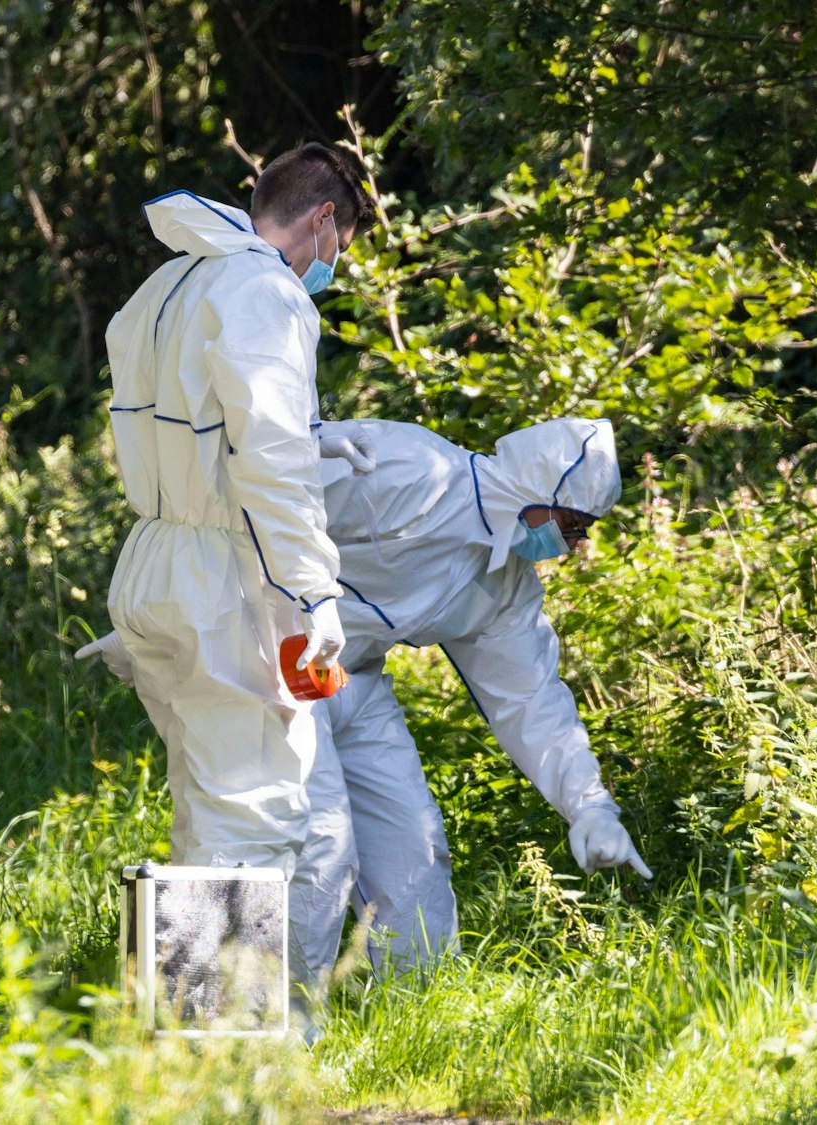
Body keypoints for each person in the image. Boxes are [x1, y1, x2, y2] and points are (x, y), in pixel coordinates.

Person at [81, 418, 651, 981]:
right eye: (574, 523)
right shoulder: (405, 468)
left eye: (586, 529)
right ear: (535, 489)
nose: (575, 545)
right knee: (311, 848)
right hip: (257, 661)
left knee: (415, 851)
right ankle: (264, 1030)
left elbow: (530, 698)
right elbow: (240, 501)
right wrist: (164, 619)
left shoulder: (505, 584)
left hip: (352, 680)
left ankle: (424, 1009)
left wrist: (590, 805)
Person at [97, 143, 373, 874]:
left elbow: (194, 423)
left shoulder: (172, 281)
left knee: (203, 809)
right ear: (321, 220)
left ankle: (176, 990)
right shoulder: (265, 291)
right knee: (255, 820)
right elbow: (270, 459)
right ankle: (231, 993)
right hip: (219, 582)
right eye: (337, 247)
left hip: (154, 562)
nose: (329, 266)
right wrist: (313, 594)